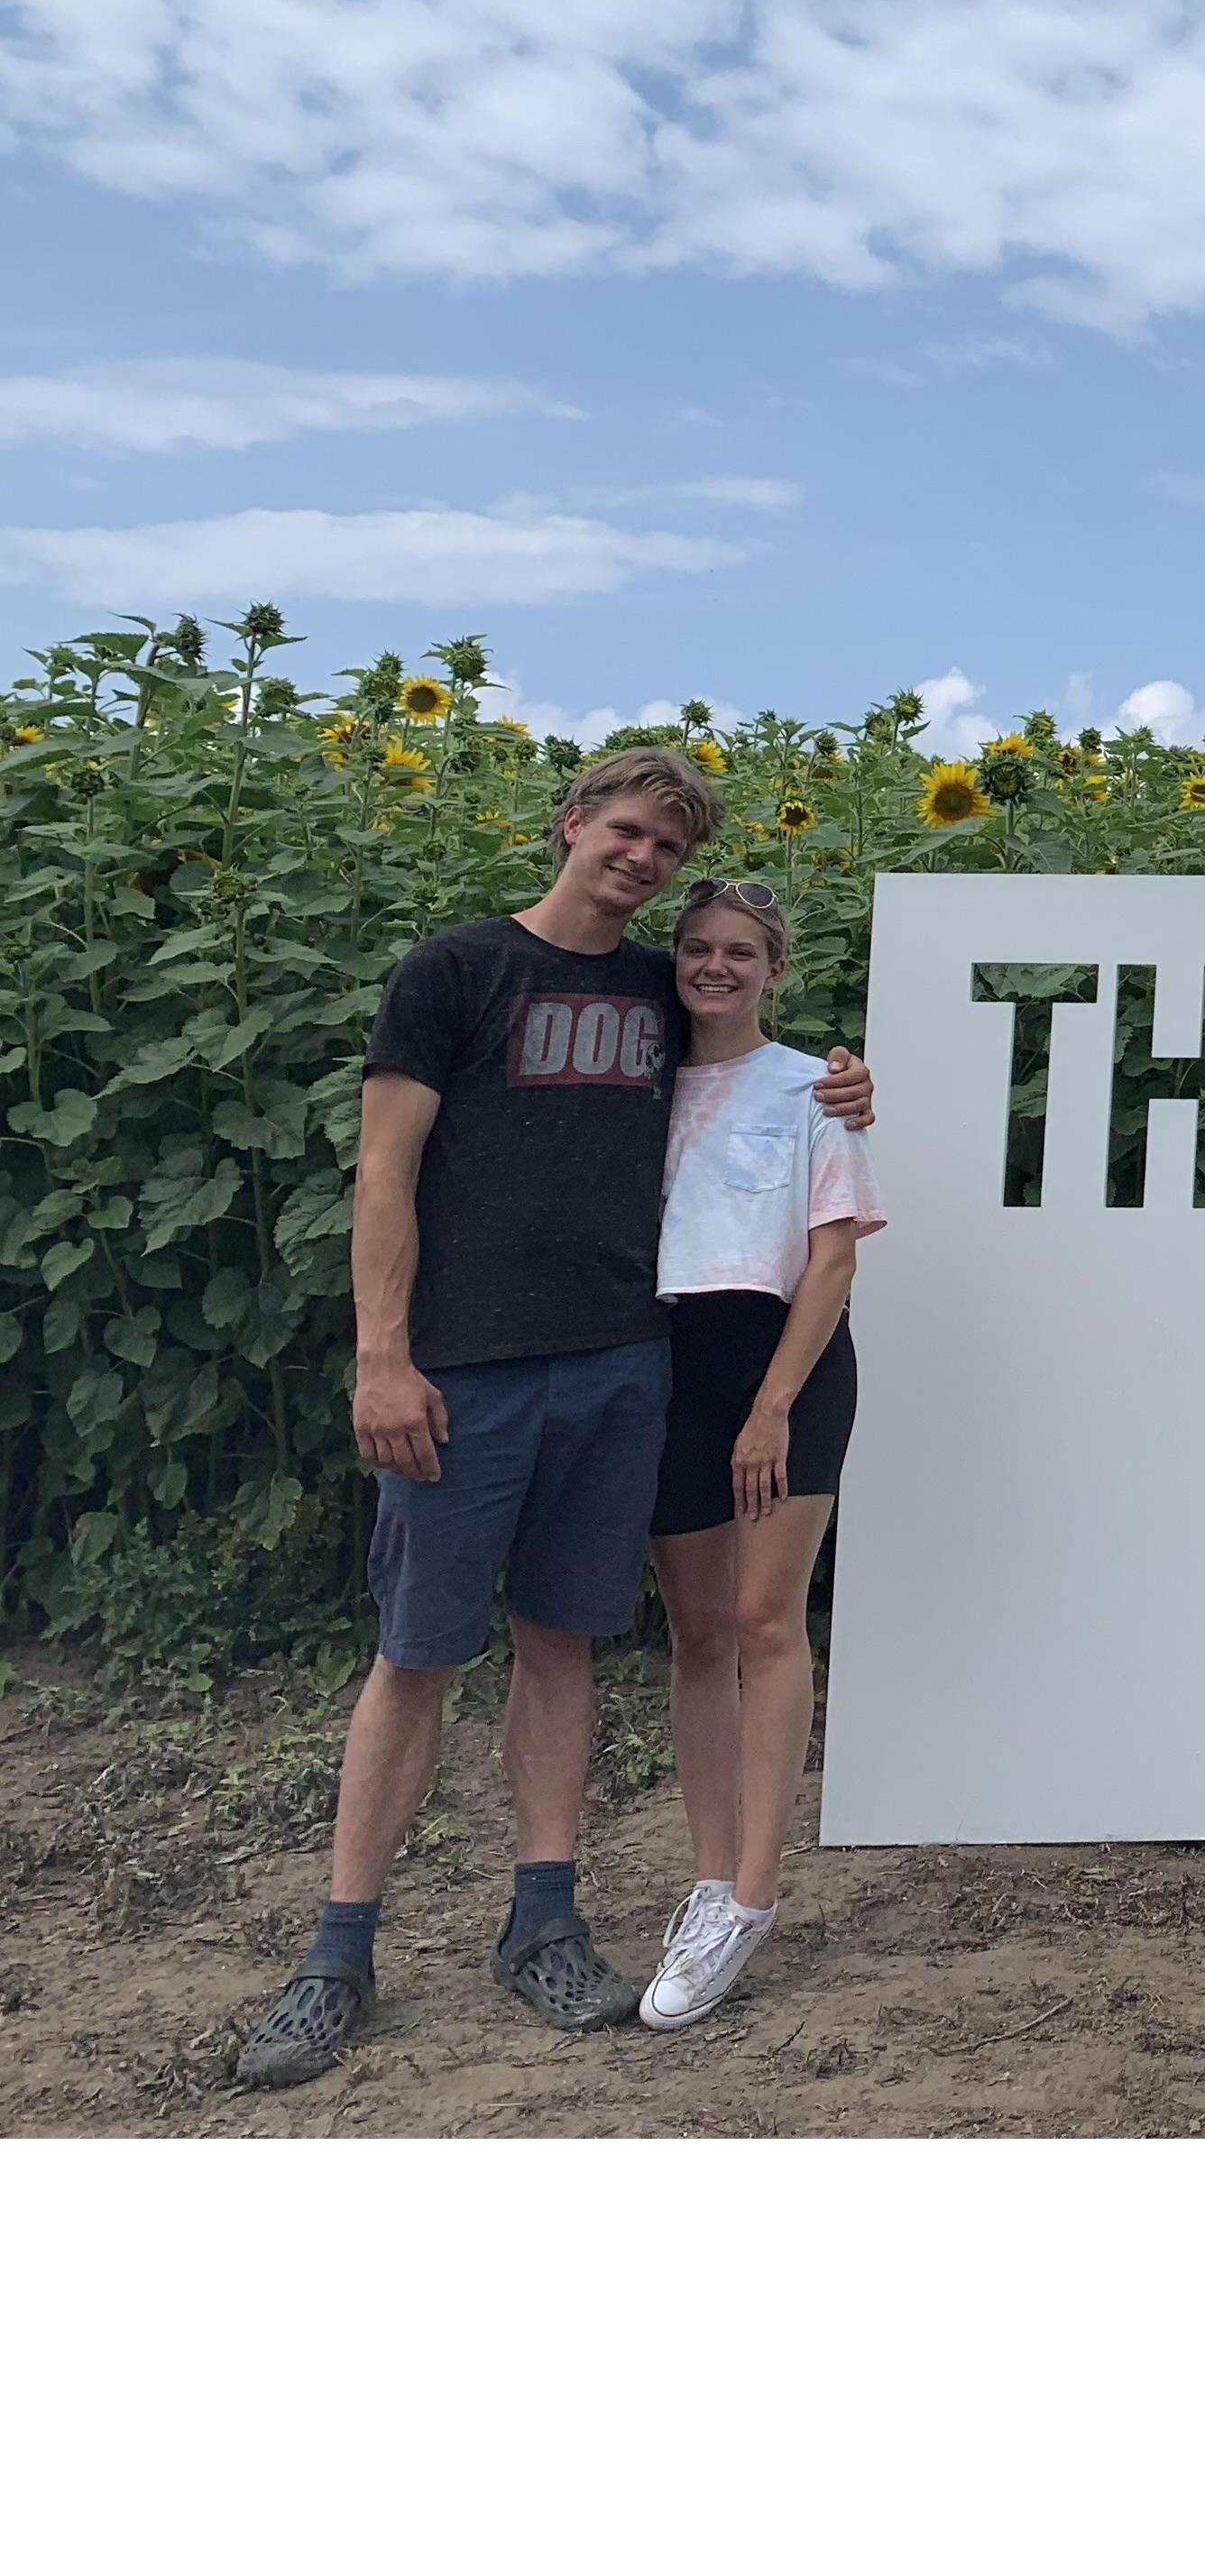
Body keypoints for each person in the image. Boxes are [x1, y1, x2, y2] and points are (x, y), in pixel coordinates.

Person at [232, 747, 873, 2092]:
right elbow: (385, 1176)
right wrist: (383, 1357)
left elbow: (751, 1042)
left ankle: (543, 1922)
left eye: (667, 852)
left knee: (564, 1644)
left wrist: (844, 1084)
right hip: (460, 1374)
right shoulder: (454, 975)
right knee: (414, 1656)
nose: (642, 862)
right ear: (573, 826)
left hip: (621, 1368)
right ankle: (338, 1953)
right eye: (627, 834)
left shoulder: (660, 984)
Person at [635, 876, 883, 2030]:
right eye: (697, 948)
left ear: (774, 969)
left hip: (781, 1368)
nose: (716, 966)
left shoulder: (814, 1089)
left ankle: (753, 1895)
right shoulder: (634, 1083)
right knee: (693, 1633)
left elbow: (833, 1258)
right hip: (665, 1370)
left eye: (741, 951)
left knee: (764, 1622)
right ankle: (704, 1878)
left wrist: (772, 1406)